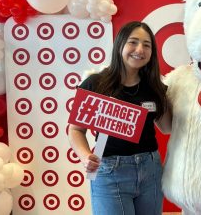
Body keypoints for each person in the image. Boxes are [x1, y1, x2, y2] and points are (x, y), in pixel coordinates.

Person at [68, 21, 171, 215]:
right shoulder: (95, 83)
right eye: (133, 42)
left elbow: (166, 127)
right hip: (108, 170)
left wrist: (175, 93)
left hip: (150, 170)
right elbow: (75, 130)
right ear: (120, 45)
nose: (139, 50)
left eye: (146, 45)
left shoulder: (155, 87)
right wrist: (84, 156)